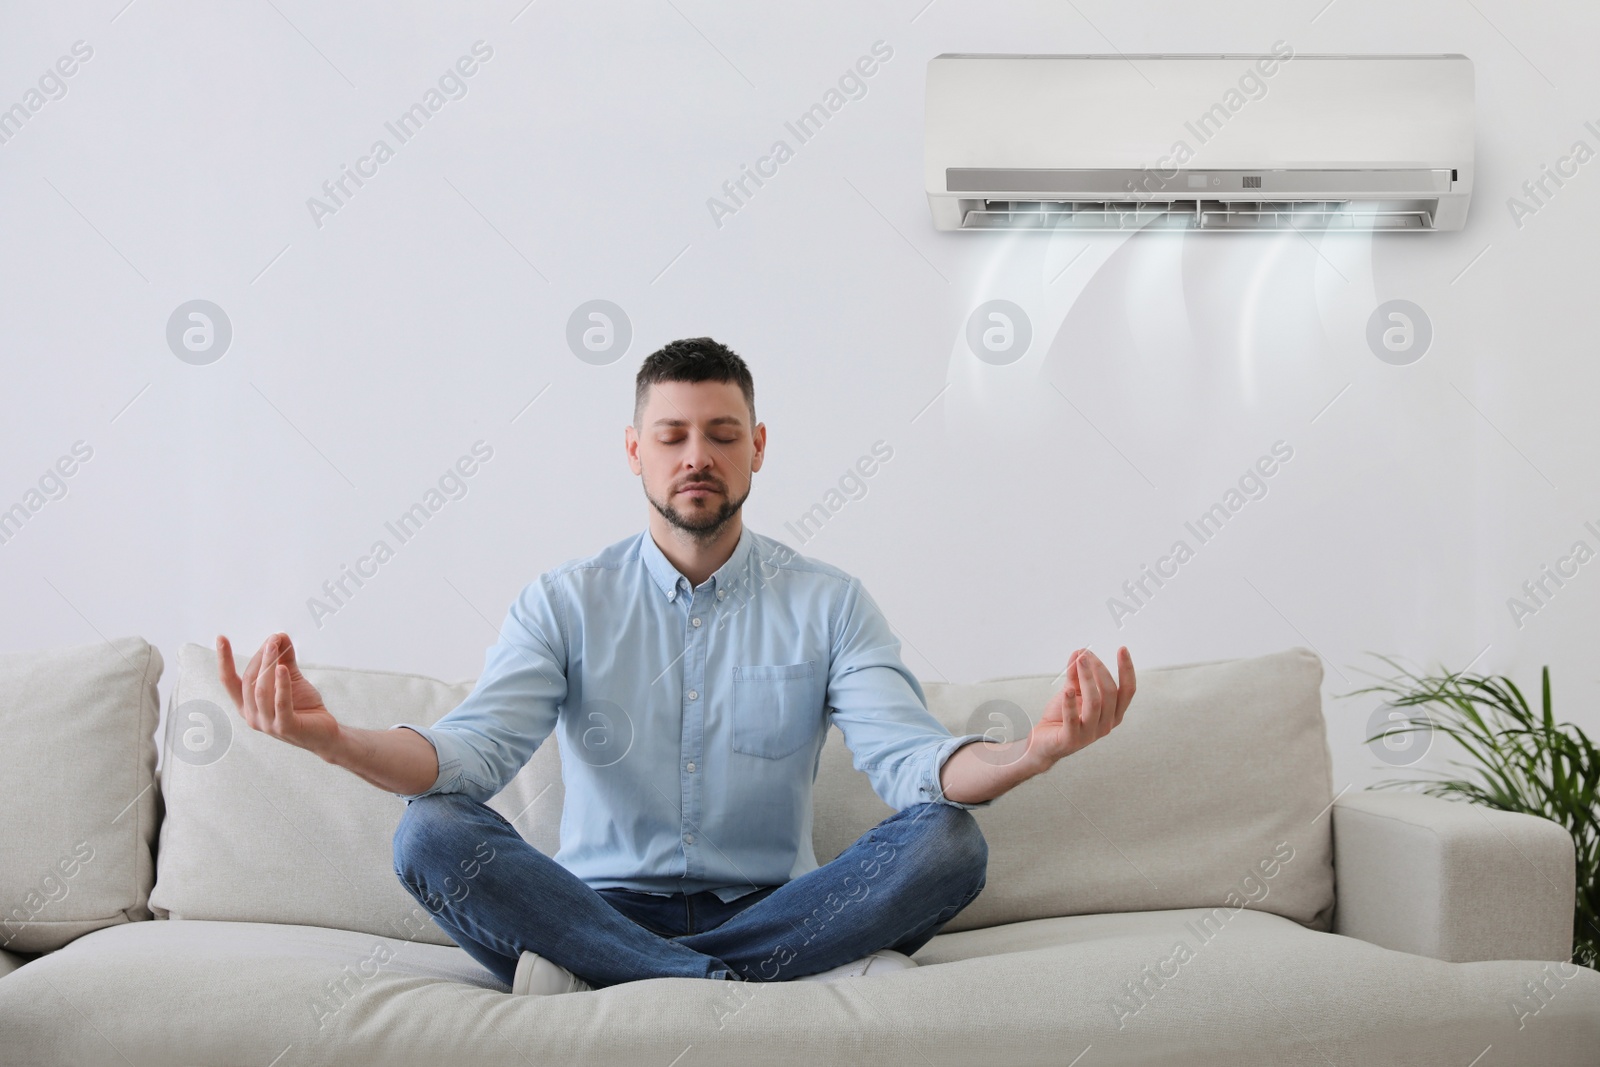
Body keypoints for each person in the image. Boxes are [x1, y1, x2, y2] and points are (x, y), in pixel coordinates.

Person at [215, 337, 1136, 996]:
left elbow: (912, 766)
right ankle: (728, 982)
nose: (698, 455)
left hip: (778, 904)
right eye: (673, 434)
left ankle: (628, 980)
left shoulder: (831, 601)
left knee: (949, 841)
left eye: (723, 433)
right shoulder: (565, 600)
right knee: (430, 833)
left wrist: (1035, 752)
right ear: (635, 451)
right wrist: (331, 739)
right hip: (586, 906)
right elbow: (471, 753)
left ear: (758, 448)